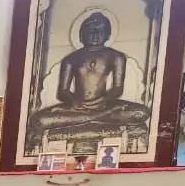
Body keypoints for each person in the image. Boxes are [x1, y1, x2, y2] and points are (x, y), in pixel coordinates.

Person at [27, 12, 151, 147]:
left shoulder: (116, 56)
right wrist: (74, 101)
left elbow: (117, 88)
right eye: (90, 31)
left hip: (105, 104)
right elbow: (62, 91)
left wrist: (104, 100)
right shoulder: (71, 59)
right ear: (82, 35)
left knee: (142, 112)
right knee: (38, 119)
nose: (95, 35)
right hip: (77, 108)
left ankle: (89, 118)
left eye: (100, 31)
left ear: (108, 34)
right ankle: (95, 117)